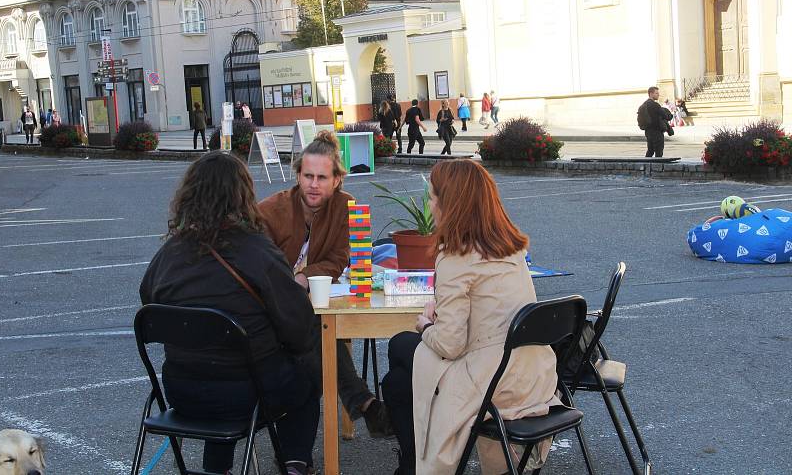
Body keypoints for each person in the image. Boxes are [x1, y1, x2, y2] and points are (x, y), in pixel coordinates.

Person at [139, 152, 319, 475]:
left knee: (221, 362)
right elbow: (300, 330)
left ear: (189, 196)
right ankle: (294, 465)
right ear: (243, 196)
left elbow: (148, 301)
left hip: (182, 390)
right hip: (246, 393)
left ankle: (216, 470)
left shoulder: (169, 255)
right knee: (309, 369)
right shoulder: (257, 251)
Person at [382, 160, 560, 475]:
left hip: (492, 381)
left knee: (399, 347)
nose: (431, 203)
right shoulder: (509, 247)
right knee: (397, 382)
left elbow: (450, 344)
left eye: (434, 197)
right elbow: (488, 309)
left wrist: (426, 326)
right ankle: (411, 463)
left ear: (450, 205)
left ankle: (413, 463)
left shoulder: (456, 256)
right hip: (532, 374)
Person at [257, 131, 392, 437]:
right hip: (272, 308)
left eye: (321, 177)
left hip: (310, 302)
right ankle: (366, 404)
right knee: (314, 330)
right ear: (298, 175)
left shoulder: (346, 206)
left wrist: (305, 277)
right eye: (307, 176)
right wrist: (290, 284)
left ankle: (362, 406)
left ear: (336, 180)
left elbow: (340, 257)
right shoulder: (270, 210)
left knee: (318, 326)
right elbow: (260, 264)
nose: (313, 184)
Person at [638, 86, 669, 158]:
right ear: (651, 94)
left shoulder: (643, 105)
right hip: (657, 131)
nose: (658, 95)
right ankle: (657, 167)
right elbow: (666, 116)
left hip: (648, 132)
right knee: (659, 152)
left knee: (650, 151)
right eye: (656, 93)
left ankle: (646, 166)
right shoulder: (655, 105)